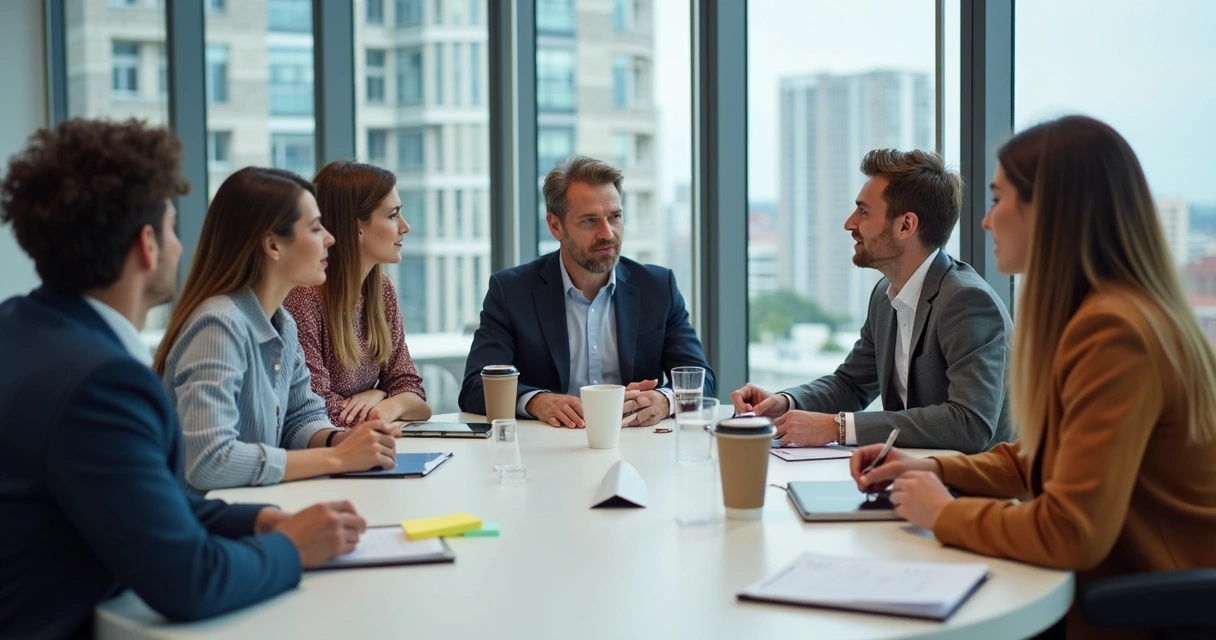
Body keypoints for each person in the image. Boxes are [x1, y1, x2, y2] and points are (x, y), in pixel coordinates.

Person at [851, 116, 1216, 639]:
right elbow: (1043, 455)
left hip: (1139, 610)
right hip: (1110, 590)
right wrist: (930, 464)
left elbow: (1072, 531)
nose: (985, 221)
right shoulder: (1108, 312)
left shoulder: (1117, 331)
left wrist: (943, 514)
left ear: (1051, 211)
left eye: (999, 200)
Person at [0, 119, 368, 637]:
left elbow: (148, 500)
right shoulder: (100, 385)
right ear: (147, 245)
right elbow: (192, 582)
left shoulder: (21, 330)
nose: (180, 247)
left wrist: (255, 521)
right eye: (174, 228)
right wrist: (291, 547)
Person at [731, 149, 1012, 453]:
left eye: (864, 212)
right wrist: (785, 402)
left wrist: (836, 428)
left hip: (976, 491)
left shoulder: (966, 301)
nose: (850, 224)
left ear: (906, 226)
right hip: (912, 475)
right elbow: (850, 384)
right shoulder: (885, 294)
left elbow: (970, 424)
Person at [155, 167, 398, 493]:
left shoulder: (282, 324)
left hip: (249, 512)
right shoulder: (218, 325)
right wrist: (337, 459)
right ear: (273, 245)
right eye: (315, 229)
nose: (330, 238)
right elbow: (209, 461)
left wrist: (342, 439)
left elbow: (300, 418)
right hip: (208, 526)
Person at [459, 155, 715, 428]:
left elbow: (702, 379)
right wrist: (537, 401)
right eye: (589, 221)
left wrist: (664, 399)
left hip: (636, 448)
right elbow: (475, 386)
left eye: (615, 217)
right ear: (555, 225)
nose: (608, 233)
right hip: (548, 448)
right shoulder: (511, 291)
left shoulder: (657, 287)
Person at [284, 161, 430, 429]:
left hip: (363, 446)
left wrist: (383, 399)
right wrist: (386, 399)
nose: (405, 226)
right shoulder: (304, 298)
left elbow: (415, 395)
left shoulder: (382, 292)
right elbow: (318, 413)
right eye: (392, 215)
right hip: (328, 455)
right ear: (356, 226)